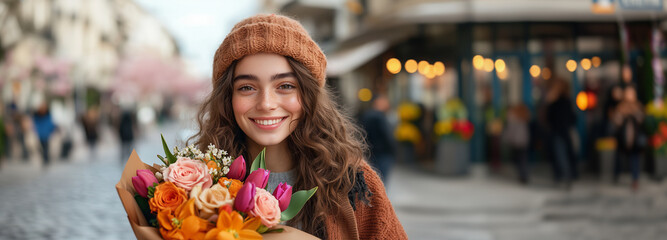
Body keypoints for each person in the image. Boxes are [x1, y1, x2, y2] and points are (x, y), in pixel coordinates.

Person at [189, 14, 407, 239]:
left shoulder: (353, 182)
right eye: (246, 87)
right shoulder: (195, 182)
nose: (266, 104)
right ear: (228, 98)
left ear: (308, 94)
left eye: (285, 85)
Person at [545, 78, 578, 188]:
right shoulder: (566, 101)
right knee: (562, 154)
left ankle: (565, 176)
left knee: (561, 155)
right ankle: (564, 176)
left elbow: (549, 117)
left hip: (559, 132)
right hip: (563, 132)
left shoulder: (557, 102)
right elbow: (573, 118)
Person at [611, 85, 645, 190]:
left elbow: (641, 119)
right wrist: (623, 114)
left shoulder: (638, 106)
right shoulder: (620, 106)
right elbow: (616, 120)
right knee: (619, 157)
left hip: (635, 138)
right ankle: (617, 175)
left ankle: (635, 179)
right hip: (623, 137)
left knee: (634, 158)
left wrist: (633, 112)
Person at [359, 95, 396, 184]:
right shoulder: (379, 117)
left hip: (370, 152)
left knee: (373, 180)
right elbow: (387, 136)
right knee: (381, 181)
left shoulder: (366, 115)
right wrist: (393, 150)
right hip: (382, 152)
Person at [503, 103, 531, 184]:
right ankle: (524, 175)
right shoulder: (524, 119)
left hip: (517, 143)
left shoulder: (513, 119)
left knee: (518, 160)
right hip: (523, 142)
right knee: (523, 160)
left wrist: (507, 139)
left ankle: (523, 175)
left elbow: (510, 132)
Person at [32, 101, 57, 166]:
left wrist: (51, 130)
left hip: (46, 133)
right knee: (42, 147)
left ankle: (46, 159)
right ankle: (45, 158)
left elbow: (50, 123)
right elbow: (36, 124)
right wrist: (36, 131)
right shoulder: (37, 115)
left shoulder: (48, 114)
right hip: (41, 133)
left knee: (46, 147)